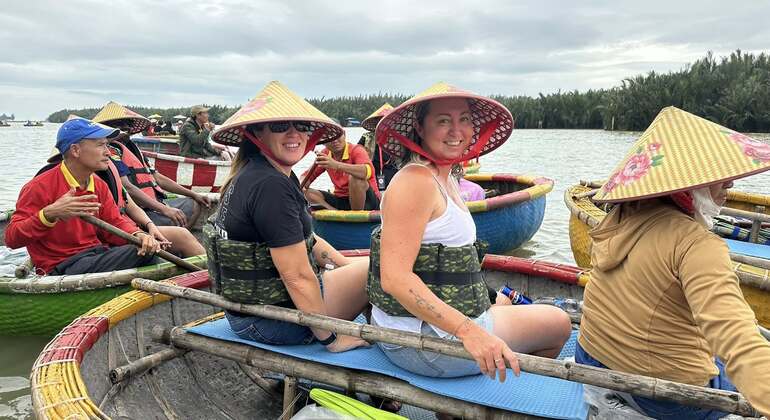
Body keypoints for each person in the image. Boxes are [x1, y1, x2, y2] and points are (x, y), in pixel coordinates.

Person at [369, 82, 571, 383]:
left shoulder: (444, 175)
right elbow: (395, 279)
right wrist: (469, 331)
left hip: (426, 332)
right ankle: (494, 400)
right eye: (443, 121)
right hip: (423, 344)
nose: (456, 130)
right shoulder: (416, 182)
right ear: (420, 129)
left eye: (464, 119)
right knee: (560, 324)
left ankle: (456, 405)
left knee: (516, 310)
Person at [578, 106, 770, 418]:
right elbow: (734, 334)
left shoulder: (621, 215)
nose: (730, 185)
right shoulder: (698, 244)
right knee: (732, 366)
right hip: (663, 396)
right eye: (720, 178)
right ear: (689, 183)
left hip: (591, 358)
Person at [206, 80, 371, 353]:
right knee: (381, 269)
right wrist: (331, 338)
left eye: (302, 127)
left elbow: (309, 238)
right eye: (281, 126)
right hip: (274, 321)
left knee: (363, 267)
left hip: (249, 313)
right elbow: (296, 275)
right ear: (257, 133)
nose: (294, 134)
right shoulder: (271, 186)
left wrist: (344, 267)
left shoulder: (259, 172)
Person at [5, 118, 161, 275]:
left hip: (95, 254)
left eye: (107, 144)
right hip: (62, 265)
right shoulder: (39, 187)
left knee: (148, 249)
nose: (108, 152)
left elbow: (114, 222)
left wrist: (139, 235)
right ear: (75, 150)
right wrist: (49, 214)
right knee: (147, 255)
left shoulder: (98, 184)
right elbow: (12, 238)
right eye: (100, 145)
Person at [92, 101, 212, 228]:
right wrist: (164, 209)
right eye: (119, 125)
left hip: (153, 204)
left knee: (194, 203)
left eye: (128, 123)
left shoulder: (134, 149)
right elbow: (128, 188)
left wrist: (194, 194)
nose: (126, 127)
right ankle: (173, 239)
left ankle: (174, 240)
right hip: (135, 211)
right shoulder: (110, 151)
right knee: (181, 230)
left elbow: (158, 178)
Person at [301, 133, 381, 211]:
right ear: (323, 142)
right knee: (306, 192)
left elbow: (367, 171)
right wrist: (302, 185)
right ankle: (336, 213)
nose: (334, 140)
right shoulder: (325, 154)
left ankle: (355, 217)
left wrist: (336, 165)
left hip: (367, 201)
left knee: (355, 178)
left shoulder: (357, 150)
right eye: (330, 137)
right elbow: (307, 176)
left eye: (338, 136)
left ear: (344, 135)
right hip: (341, 199)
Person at [358, 103, 398, 191]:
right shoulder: (367, 137)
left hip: (395, 175)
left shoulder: (399, 138)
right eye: (381, 120)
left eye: (388, 120)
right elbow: (356, 154)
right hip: (372, 173)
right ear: (377, 122)